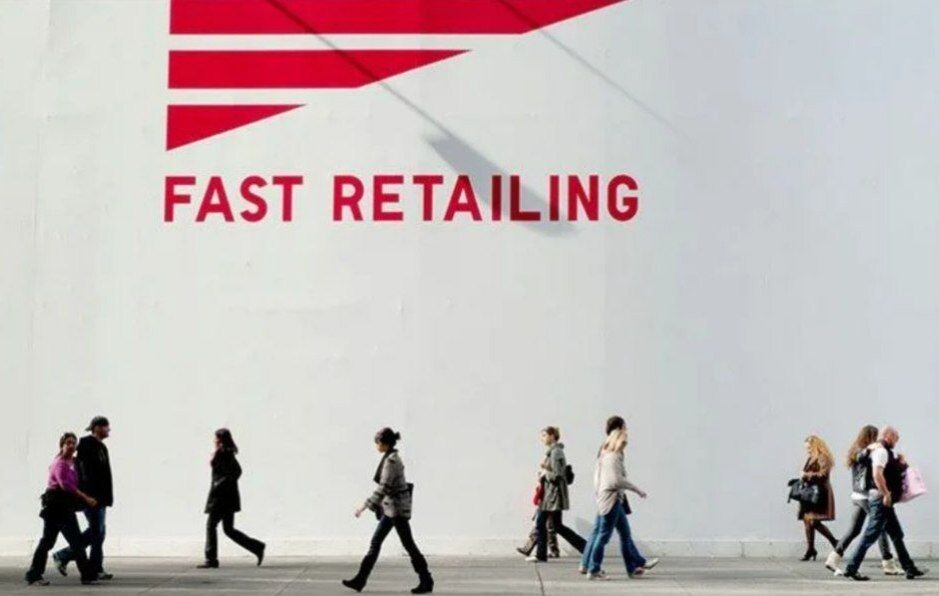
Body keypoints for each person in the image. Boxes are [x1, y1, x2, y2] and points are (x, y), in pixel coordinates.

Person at [342, 428, 433, 594]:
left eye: (377, 442)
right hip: (391, 509)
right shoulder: (390, 458)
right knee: (380, 543)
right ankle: (360, 580)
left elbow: (383, 487)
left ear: (384, 444)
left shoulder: (391, 461)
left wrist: (364, 506)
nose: (376, 445)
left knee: (407, 545)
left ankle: (426, 580)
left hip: (396, 510)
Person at [843, 427, 927, 581]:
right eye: (896, 438)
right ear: (888, 436)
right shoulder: (881, 451)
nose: (897, 441)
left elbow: (892, 471)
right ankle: (851, 568)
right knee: (871, 534)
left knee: (896, 534)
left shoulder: (884, 451)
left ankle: (909, 568)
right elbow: (877, 474)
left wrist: (901, 462)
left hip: (883, 500)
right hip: (881, 499)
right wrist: (886, 494)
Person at [582, 426, 658, 580]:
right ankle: (594, 569)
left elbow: (599, 478)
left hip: (608, 499)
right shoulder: (613, 457)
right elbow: (616, 480)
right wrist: (637, 490)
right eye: (623, 442)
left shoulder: (604, 455)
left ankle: (634, 567)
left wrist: (598, 494)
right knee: (603, 535)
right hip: (611, 500)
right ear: (616, 441)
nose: (625, 445)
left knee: (624, 533)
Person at [825, 425, 901, 576]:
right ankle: (888, 563)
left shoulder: (857, 450)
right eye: (876, 436)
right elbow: (868, 464)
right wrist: (870, 450)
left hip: (857, 496)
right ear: (871, 437)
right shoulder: (865, 451)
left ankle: (833, 558)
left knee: (854, 530)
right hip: (866, 496)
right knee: (880, 528)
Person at [24, 432, 99, 586]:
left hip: (64, 506)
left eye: (73, 443)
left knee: (67, 541)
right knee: (53, 541)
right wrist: (86, 498)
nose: (71, 446)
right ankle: (34, 574)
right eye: (68, 443)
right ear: (62, 445)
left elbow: (78, 481)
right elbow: (66, 486)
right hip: (56, 507)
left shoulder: (72, 462)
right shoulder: (60, 463)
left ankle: (86, 575)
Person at [53, 415, 114, 581]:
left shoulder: (102, 447)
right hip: (91, 497)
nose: (109, 429)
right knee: (97, 532)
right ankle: (69, 558)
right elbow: (84, 472)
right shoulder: (87, 445)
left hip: (100, 498)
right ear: (97, 428)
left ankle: (91, 565)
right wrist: (88, 496)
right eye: (106, 426)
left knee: (98, 532)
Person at [198, 428, 265, 568]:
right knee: (228, 529)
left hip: (220, 497)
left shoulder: (223, 453)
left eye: (216, 438)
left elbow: (236, 472)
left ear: (220, 439)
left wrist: (219, 484)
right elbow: (236, 472)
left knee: (211, 525)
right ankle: (257, 547)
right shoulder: (227, 453)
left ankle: (211, 559)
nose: (214, 440)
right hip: (227, 497)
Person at [526, 426, 587, 562]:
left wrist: (545, 473)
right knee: (557, 526)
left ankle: (541, 555)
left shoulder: (556, 452)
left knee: (541, 523)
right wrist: (546, 469)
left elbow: (557, 475)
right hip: (552, 495)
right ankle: (586, 548)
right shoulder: (553, 452)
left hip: (552, 496)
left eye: (544, 435)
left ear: (552, 435)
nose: (542, 439)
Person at [579, 415, 625, 574]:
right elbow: (615, 476)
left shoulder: (604, 446)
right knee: (604, 533)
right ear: (619, 428)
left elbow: (599, 474)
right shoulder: (614, 447)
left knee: (601, 531)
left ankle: (585, 564)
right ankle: (593, 568)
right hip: (611, 496)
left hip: (603, 494)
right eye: (624, 427)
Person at [797, 435, 837, 561]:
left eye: (809, 448)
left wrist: (806, 475)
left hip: (819, 493)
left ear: (815, 446)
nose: (807, 450)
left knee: (813, 521)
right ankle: (811, 549)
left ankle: (834, 541)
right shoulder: (811, 457)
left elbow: (823, 475)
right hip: (809, 493)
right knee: (807, 521)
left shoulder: (823, 457)